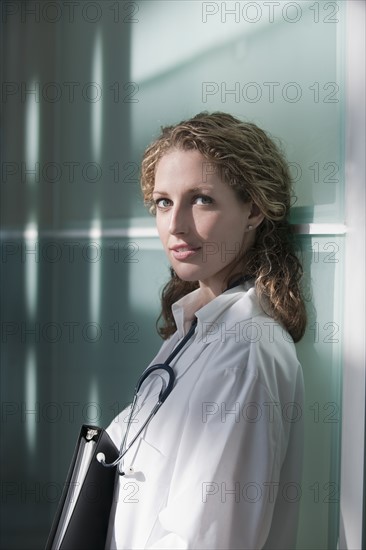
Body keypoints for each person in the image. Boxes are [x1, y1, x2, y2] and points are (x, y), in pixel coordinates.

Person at [106, 111, 306, 550]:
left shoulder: (247, 353)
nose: (176, 224)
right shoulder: (192, 330)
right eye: (163, 202)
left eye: (201, 200)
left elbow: (212, 539)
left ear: (253, 209)